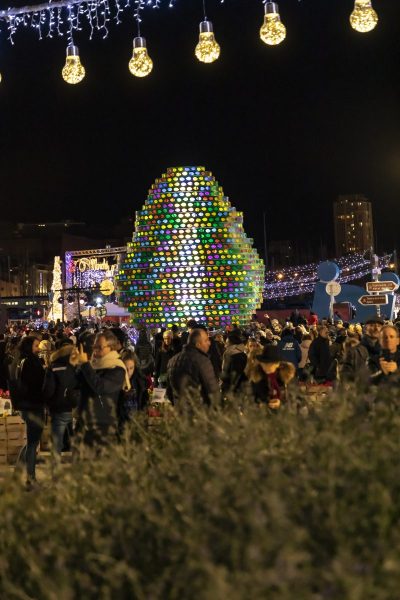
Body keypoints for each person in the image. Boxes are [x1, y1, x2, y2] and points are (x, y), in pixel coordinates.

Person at [71, 330, 130, 447]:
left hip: (103, 425)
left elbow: (100, 387)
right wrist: (74, 365)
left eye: (100, 347)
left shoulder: (117, 369)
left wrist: (85, 365)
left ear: (111, 348)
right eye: (95, 346)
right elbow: (74, 384)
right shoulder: (92, 366)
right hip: (84, 423)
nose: (95, 350)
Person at [9, 336, 45, 488]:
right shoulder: (31, 362)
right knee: (32, 444)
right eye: (36, 346)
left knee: (32, 442)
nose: (39, 348)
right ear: (29, 346)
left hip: (26, 405)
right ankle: (30, 479)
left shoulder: (21, 360)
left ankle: (18, 473)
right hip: (33, 406)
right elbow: (36, 385)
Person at [42, 339, 78, 460]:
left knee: (57, 441)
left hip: (58, 408)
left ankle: (55, 470)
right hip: (74, 407)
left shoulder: (52, 367)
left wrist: (48, 403)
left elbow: (48, 390)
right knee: (76, 439)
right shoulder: (75, 368)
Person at [167, 328, 220, 406]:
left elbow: (169, 391)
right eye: (206, 340)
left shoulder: (172, 361)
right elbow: (212, 391)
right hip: (199, 412)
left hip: (180, 411)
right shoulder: (202, 361)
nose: (209, 343)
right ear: (198, 344)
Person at [119, 350, 149, 430]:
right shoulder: (115, 381)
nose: (128, 372)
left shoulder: (139, 382)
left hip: (136, 426)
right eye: (125, 368)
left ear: (135, 366)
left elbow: (143, 406)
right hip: (120, 427)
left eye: (131, 368)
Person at [245, 345, 282, 409]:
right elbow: (251, 397)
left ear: (277, 364)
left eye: (269, 363)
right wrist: (261, 405)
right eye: (264, 363)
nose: (266, 366)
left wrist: (279, 402)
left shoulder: (282, 376)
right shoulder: (256, 377)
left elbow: (289, 397)